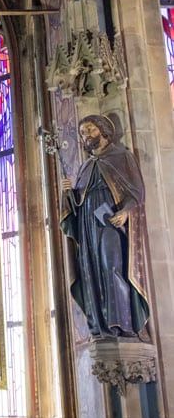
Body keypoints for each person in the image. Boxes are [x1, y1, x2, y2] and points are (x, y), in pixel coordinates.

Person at [60, 115, 149, 338]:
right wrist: (69, 193)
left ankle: (122, 324)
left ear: (103, 130)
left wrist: (126, 211)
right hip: (88, 224)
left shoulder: (121, 156)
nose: (86, 136)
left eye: (90, 130)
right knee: (90, 270)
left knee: (112, 266)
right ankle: (99, 325)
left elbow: (136, 192)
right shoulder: (86, 165)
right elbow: (79, 202)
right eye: (82, 133)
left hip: (110, 221)